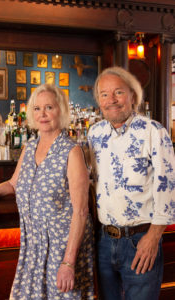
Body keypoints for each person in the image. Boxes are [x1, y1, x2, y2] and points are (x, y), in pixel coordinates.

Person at [0, 84, 94, 299]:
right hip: (33, 248)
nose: (43, 114)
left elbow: (81, 212)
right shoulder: (29, 147)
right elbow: (14, 183)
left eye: (49, 107)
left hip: (61, 250)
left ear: (61, 111)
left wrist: (68, 262)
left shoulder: (71, 151)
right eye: (37, 109)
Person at [87, 66, 175, 300]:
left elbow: (169, 187)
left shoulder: (153, 132)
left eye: (118, 92)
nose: (111, 100)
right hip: (104, 241)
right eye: (104, 94)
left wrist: (154, 237)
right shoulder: (94, 134)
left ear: (133, 96)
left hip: (141, 240)